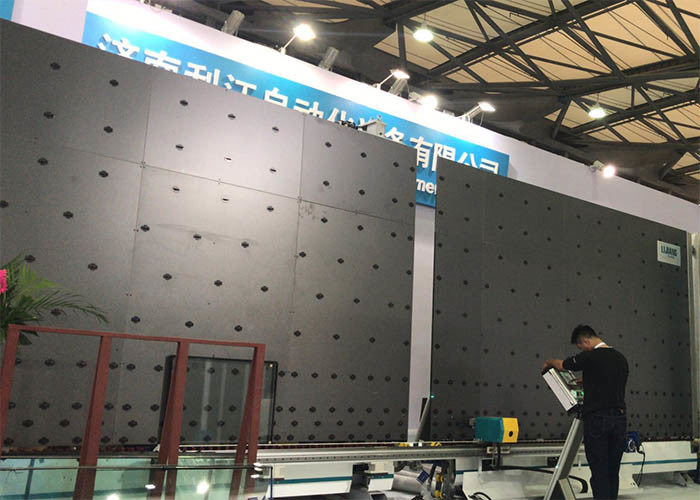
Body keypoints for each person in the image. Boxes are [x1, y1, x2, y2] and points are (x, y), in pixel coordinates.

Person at [542, 325, 629, 500]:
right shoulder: (621, 358)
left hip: (598, 420)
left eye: (581, 347)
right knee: (613, 470)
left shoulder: (591, 356)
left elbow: (563, 365)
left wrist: (549, 362)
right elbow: (608, 381)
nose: (581, 350)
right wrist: (588, 381)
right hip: (619, 420)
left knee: (599, 471)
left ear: (585, 340)